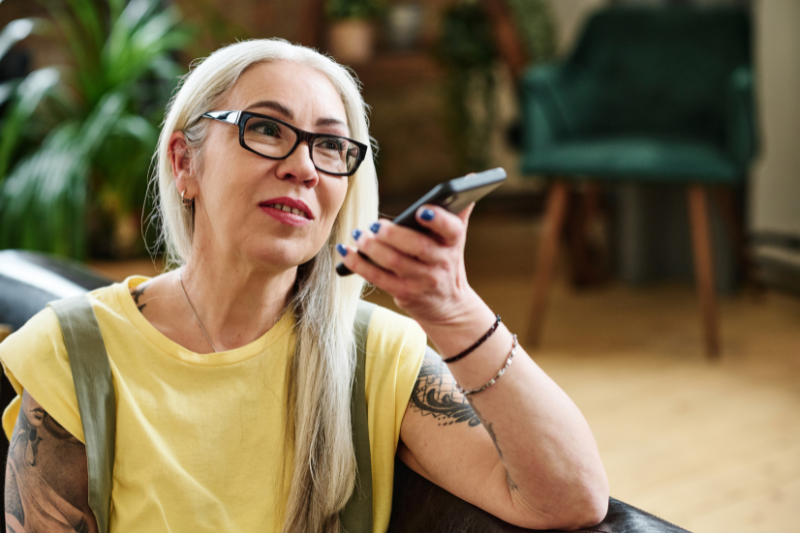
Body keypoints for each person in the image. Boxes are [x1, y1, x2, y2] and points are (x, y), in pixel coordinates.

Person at [1, 39, 608, 533]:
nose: (304, 166)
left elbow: (568, 498)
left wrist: (455, 312)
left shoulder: (375, 355)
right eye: (267, 129)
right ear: (185, 163)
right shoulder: (76, 349)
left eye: (330, 144)